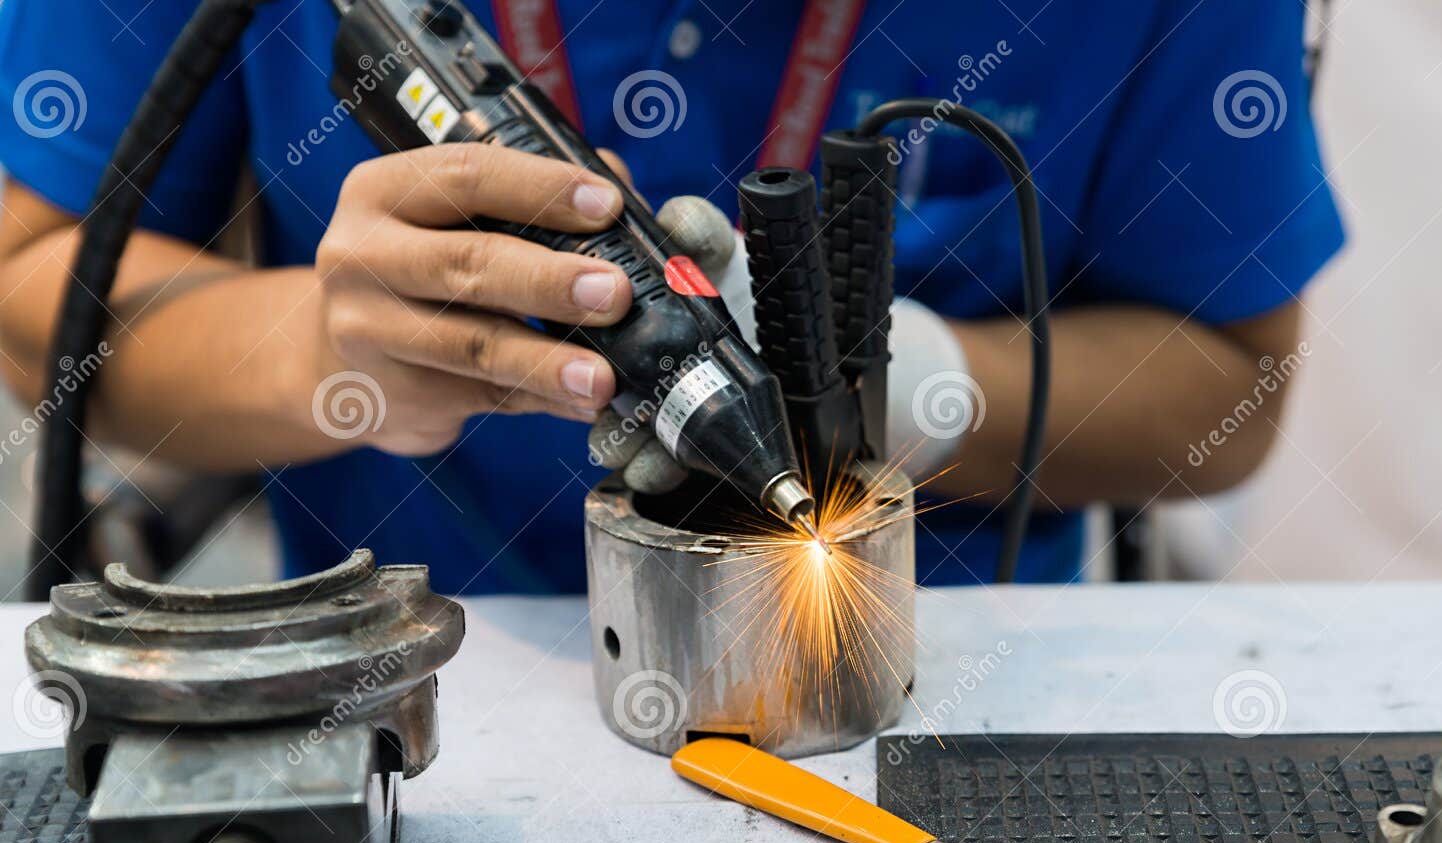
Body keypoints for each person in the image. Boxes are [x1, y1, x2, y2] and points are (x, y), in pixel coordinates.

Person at [0, 1, 1341, 594]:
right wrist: (319, 348)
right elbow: (30, 282)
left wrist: (922, 384)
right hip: (422, 705)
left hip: (957, 695)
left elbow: (1236, 371)